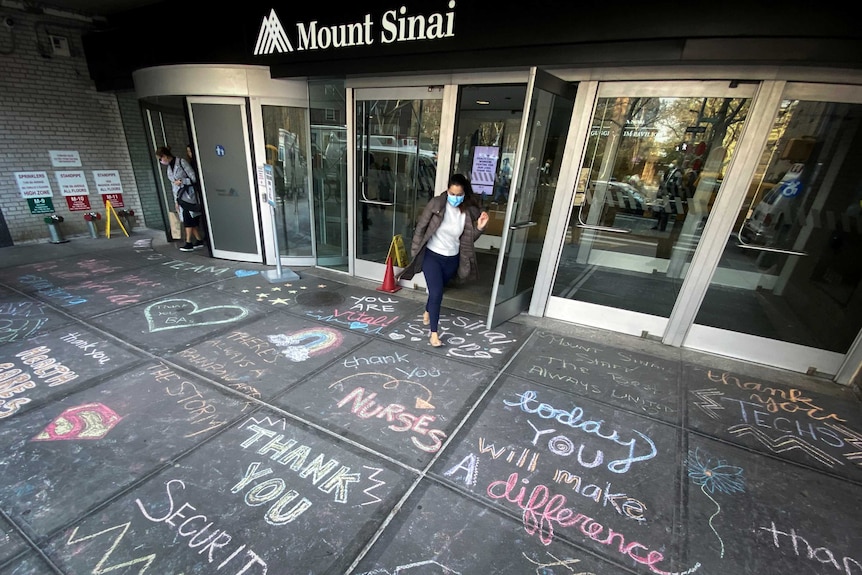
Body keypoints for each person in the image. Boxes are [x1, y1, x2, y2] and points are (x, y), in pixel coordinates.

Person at [398, 174, 489, 347]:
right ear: (447, 190)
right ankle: (434, 334)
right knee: (437, 293)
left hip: (452, 258)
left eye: (458, 194)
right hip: (432, 256)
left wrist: (479, 228)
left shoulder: (468, 211)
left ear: (464, 193)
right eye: (452, 194)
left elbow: (468, 239)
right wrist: (416, 252)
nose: (454, 198)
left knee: (437, 291)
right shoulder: (437, 204)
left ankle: (428, 309)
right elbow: (421, 228)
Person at [156, 145, 205, 251]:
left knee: (188, 219)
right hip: (180, 197)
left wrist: (182, 181)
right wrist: (176, 201)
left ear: (165, 156)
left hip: (189, 195)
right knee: (189, 220)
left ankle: (188, 242)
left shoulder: (182, 162)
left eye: (161, 158)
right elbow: (173, 185)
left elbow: (194, 178)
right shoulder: (169, 167)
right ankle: (199, 240)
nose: (161, 161)